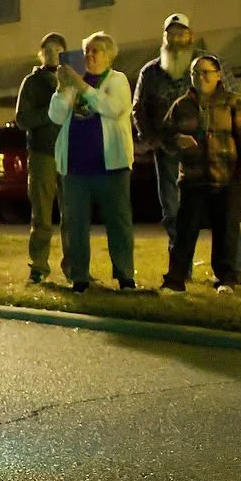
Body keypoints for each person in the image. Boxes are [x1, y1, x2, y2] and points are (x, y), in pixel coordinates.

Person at [159, 54, 241, 294]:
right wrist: (175, 140)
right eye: (195, 73)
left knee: (226, 231)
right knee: (185, 232)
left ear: (218, 75)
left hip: (228, 178)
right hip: (193, 179)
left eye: (205, 72)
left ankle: (226, 279)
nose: (200, 77)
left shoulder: (234, 103)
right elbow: (165, 135)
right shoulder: (181, 105)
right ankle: (175, 280)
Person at [48, 31, 137, 291]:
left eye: (96, 51)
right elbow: (55, 115)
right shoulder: (74, 81)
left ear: (109, 55)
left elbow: (114, 108)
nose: (90, 56)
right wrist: (63, 88)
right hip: (75, 167)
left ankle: (125, 275)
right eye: (87, 51)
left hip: (111, 166)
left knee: (118, 222)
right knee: (75, 224)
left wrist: (83, 86)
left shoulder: (117, 80)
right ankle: (80, 277)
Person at [135, 13, 198, 259]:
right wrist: (153, 140)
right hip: (168, 151)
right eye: (170, 34)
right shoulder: (150, 72)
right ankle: (181, 263)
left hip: (202, 150)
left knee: (213, 208)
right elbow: (138, 109)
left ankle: (230, 267)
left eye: (181, 33)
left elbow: (227, 101)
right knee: (172, 209)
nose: (176, 38)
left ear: (190, 35)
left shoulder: (205, 66)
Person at [13, 33, 66, 284]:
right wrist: (52, 111)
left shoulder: (72, 78)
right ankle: (39, 266)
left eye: (58, 48)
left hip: (71, 153)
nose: (53, 53)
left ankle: (76, 267)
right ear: (41, 53)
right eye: (48, 49)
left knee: (73, 215)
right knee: (42, 215)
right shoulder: (32, 82)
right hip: (43, 154)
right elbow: (23, 119)